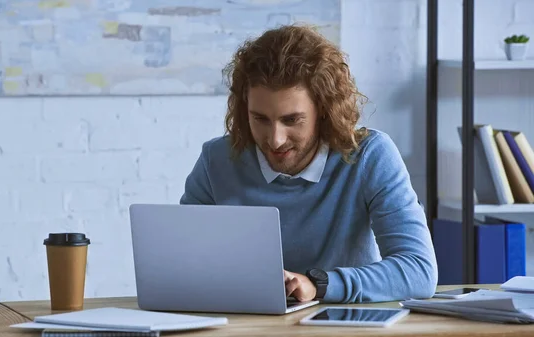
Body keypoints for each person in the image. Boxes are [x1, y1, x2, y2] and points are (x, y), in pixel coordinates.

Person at [179, 24, 437, 304]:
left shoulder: (370, 156)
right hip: (245, 325)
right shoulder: (216, 160)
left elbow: (419, 272)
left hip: (346, 326)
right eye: (260, 119)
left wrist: (319, 285)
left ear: (324, 112)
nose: (275, 140)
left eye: (292, 120)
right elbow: (182, 265)